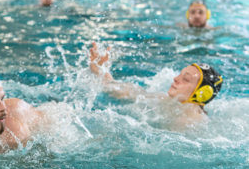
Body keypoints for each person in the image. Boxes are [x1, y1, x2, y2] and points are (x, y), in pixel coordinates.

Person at [88, 42, 223, 126]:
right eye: (179, 74)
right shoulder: (167, 101)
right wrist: (100, 69)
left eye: (185, 79)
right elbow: (119, 90)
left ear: (202, 94)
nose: (175, 79)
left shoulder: (190, 123)